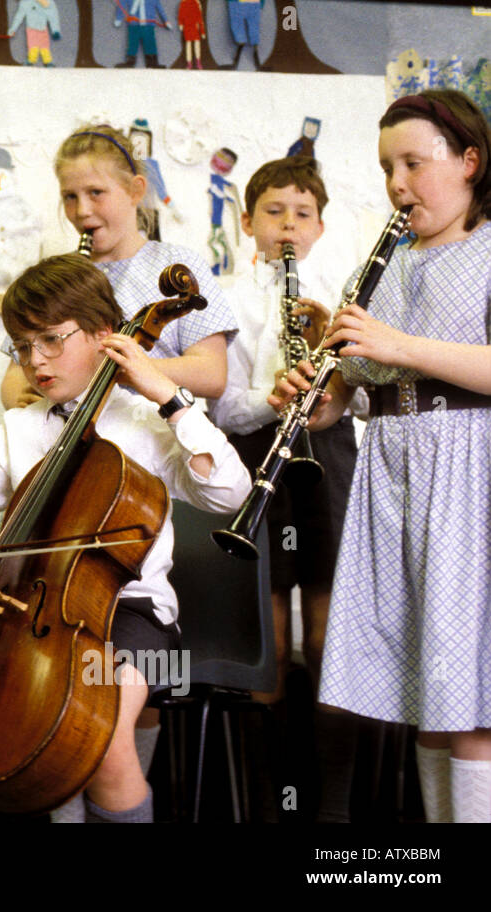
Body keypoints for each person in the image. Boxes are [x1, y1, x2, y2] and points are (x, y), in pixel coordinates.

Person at [0, 253, 251, 822]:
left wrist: (170, 398)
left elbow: (232, 495)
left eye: (50, 340)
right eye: (22, 346)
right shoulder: (20, 428)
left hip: (133, 618)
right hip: (22, 613)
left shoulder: (148, 418)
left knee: (106, 742)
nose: (35, 361)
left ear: (104, 335)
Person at [271, 89, 491, 823]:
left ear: (470, 162)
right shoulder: (390, 262)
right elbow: (358, 391)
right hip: (394, 473)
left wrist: (396, 346)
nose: (397, 184)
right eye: (386, 168)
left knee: (473, 704)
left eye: (413, 164)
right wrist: (321, 395)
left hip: (470, 473)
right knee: (428, 696)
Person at [210, 155, 360, 820]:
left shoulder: (345, 299)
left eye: (302, 214)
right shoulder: (229, 301)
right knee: (266, 642)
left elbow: (359, 402)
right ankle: (270, 804)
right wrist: (275, 398)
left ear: (321, 227)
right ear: (248, 223)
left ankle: (328, 808)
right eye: (274, 212)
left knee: (331, 641)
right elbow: (223, 408)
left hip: (326, 462)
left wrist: (334, 371)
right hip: (259, 461)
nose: (288, 226)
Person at [1, 123, 236, 410]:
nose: (82, 211)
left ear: (135, 190)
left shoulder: (179, 265)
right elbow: (14, 374)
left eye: (96, 192)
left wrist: (119, 367)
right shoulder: (59, 276)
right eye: (70, 197)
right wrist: (19, 400)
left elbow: (212, 375)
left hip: (156, 432)